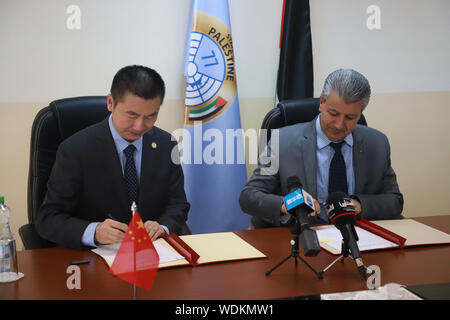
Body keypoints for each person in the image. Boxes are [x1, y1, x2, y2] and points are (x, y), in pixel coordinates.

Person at [36, 65, 190, 249]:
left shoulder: (166, 144)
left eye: (150, 116)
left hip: (153, 255)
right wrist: (94, 231)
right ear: (110, 103)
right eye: (132, 115)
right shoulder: (75, 150)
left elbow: (178, 204)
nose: (140, 126)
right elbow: (48, 218)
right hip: (96, 257)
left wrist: (162, 226)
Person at [239, 68, 403, 228]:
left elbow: (394, 200)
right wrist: (288, 204)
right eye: (333, 113)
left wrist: (359, 205)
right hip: (301, 238)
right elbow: (249, 196)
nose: (339, 125)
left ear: (360, 114)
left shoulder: (377, 143)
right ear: (321, 103)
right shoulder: (281, 141)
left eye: (350, 117)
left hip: (356, 236)